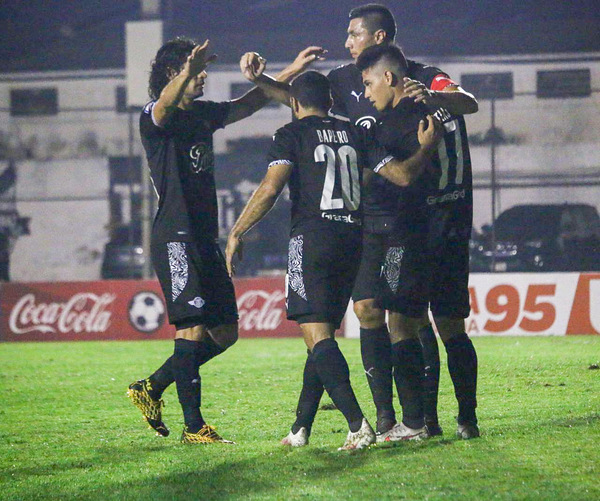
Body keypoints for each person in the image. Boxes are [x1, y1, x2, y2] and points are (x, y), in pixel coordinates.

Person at [225, 70, 443, 449]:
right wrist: (425, 147)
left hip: (313, 239)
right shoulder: (356, 133)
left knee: (317, 334)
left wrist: (236, 231)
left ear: (294, 104)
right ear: (330, 102)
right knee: (319, 334)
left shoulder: (289, 134)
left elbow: (271, 187)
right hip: (355, 241)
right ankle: (300, 429)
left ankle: (359, 425)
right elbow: (403, 176)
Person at [127, 37, 325, 444]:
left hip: (204, 240)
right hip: (174, 240)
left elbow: (250, 103)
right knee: (192, 328)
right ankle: (194, 427)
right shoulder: (154, 116)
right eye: (195, 70)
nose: (202, 77)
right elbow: (164, 104)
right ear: (173, 74)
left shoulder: (202, 115)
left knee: (225, 333)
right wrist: (186, 69)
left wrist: (290, 71)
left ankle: (151, 386)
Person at [327, 3, 479, 439]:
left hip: (421, 222)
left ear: (380, 44)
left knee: (414, 320)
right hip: (421, 220)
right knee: (405, 317)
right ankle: (430, 419)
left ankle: (432, 419)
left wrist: (430, 98)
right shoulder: (351, 83)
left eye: (354, 34)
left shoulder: (422, 86)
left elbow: (465, 102)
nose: (347, 42)